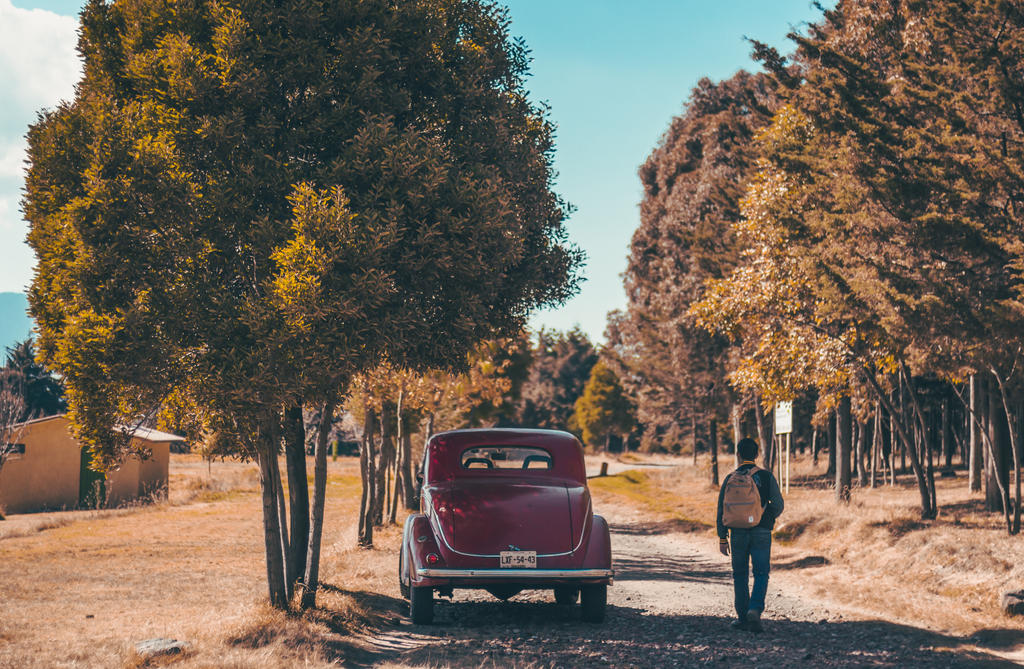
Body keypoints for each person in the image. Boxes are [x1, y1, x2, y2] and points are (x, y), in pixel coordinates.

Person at [716, 437, 784, 632]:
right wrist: (766, 519)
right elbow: (778, 505)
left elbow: (721, 509)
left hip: (737, 532)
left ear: (738, 454)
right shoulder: (765, 476)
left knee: (740, 574)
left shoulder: (730, 478)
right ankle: (755, 609)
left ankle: (742, 617)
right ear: (756, 454)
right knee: (761, 573)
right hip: (761, 531)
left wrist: (722, 537)